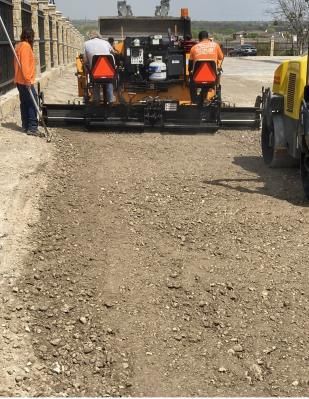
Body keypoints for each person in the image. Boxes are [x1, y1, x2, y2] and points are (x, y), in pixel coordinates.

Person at [14, 28, 39, 135]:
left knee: (24, 103)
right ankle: (32, 127)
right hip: (25, 81)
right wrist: (28, 80)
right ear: (31, 37)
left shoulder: (19, 45)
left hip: (20, 80)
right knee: (32, 103)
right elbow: (24, 65)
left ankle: (25, 125)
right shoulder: (25, 46)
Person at [84, 31, 115, 103]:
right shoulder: (106, 43)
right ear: (99, 36)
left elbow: (85, 60)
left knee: (95, 81)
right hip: (108, 71)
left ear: (90, 37)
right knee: (109, 81)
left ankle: (96, 100)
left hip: (95, 72)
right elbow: (113, 53)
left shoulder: (86, 44)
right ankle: (111, 100)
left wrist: (88, 66)